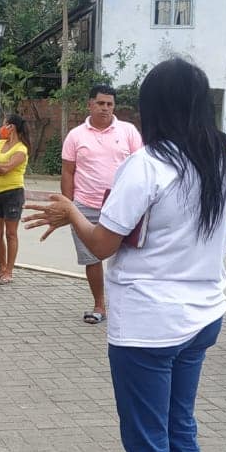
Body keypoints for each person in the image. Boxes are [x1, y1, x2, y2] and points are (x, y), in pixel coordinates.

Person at [22, 58, 226, 452]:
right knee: (180, 433)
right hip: (204, 315)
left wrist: (70, 212)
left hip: (149, 326)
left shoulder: (148, 165)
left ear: (154, 108)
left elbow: (102, 243)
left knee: (149, 448)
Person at [62, 85, 144, 324]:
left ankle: (127, 306)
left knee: (128, 257)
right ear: (90, 104)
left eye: (109, 104)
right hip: (85, 206)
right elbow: (68, 172)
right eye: (100, 103)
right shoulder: (75, 135)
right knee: (92, 258)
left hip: (122, 207)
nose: (105, 108)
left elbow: (141, 167)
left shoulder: (128, 131)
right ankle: (99, 305)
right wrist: (69, 207)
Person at [0, 113, 30, 285]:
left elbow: (5, 169)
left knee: (10, 233)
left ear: (12, 127)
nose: (2, 128)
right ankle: (1, 268)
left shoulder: (21, 149)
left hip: (13, 194)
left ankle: (9, 271)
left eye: (4, 124)